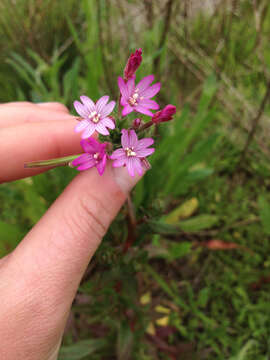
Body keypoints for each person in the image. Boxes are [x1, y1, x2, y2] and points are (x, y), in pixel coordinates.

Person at [0, 102, 140, 360]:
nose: (96, 115)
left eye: (98, 114)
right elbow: (95, 152)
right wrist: (102, 154)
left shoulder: (103, 128)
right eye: (93, 114)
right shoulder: (99, 141)